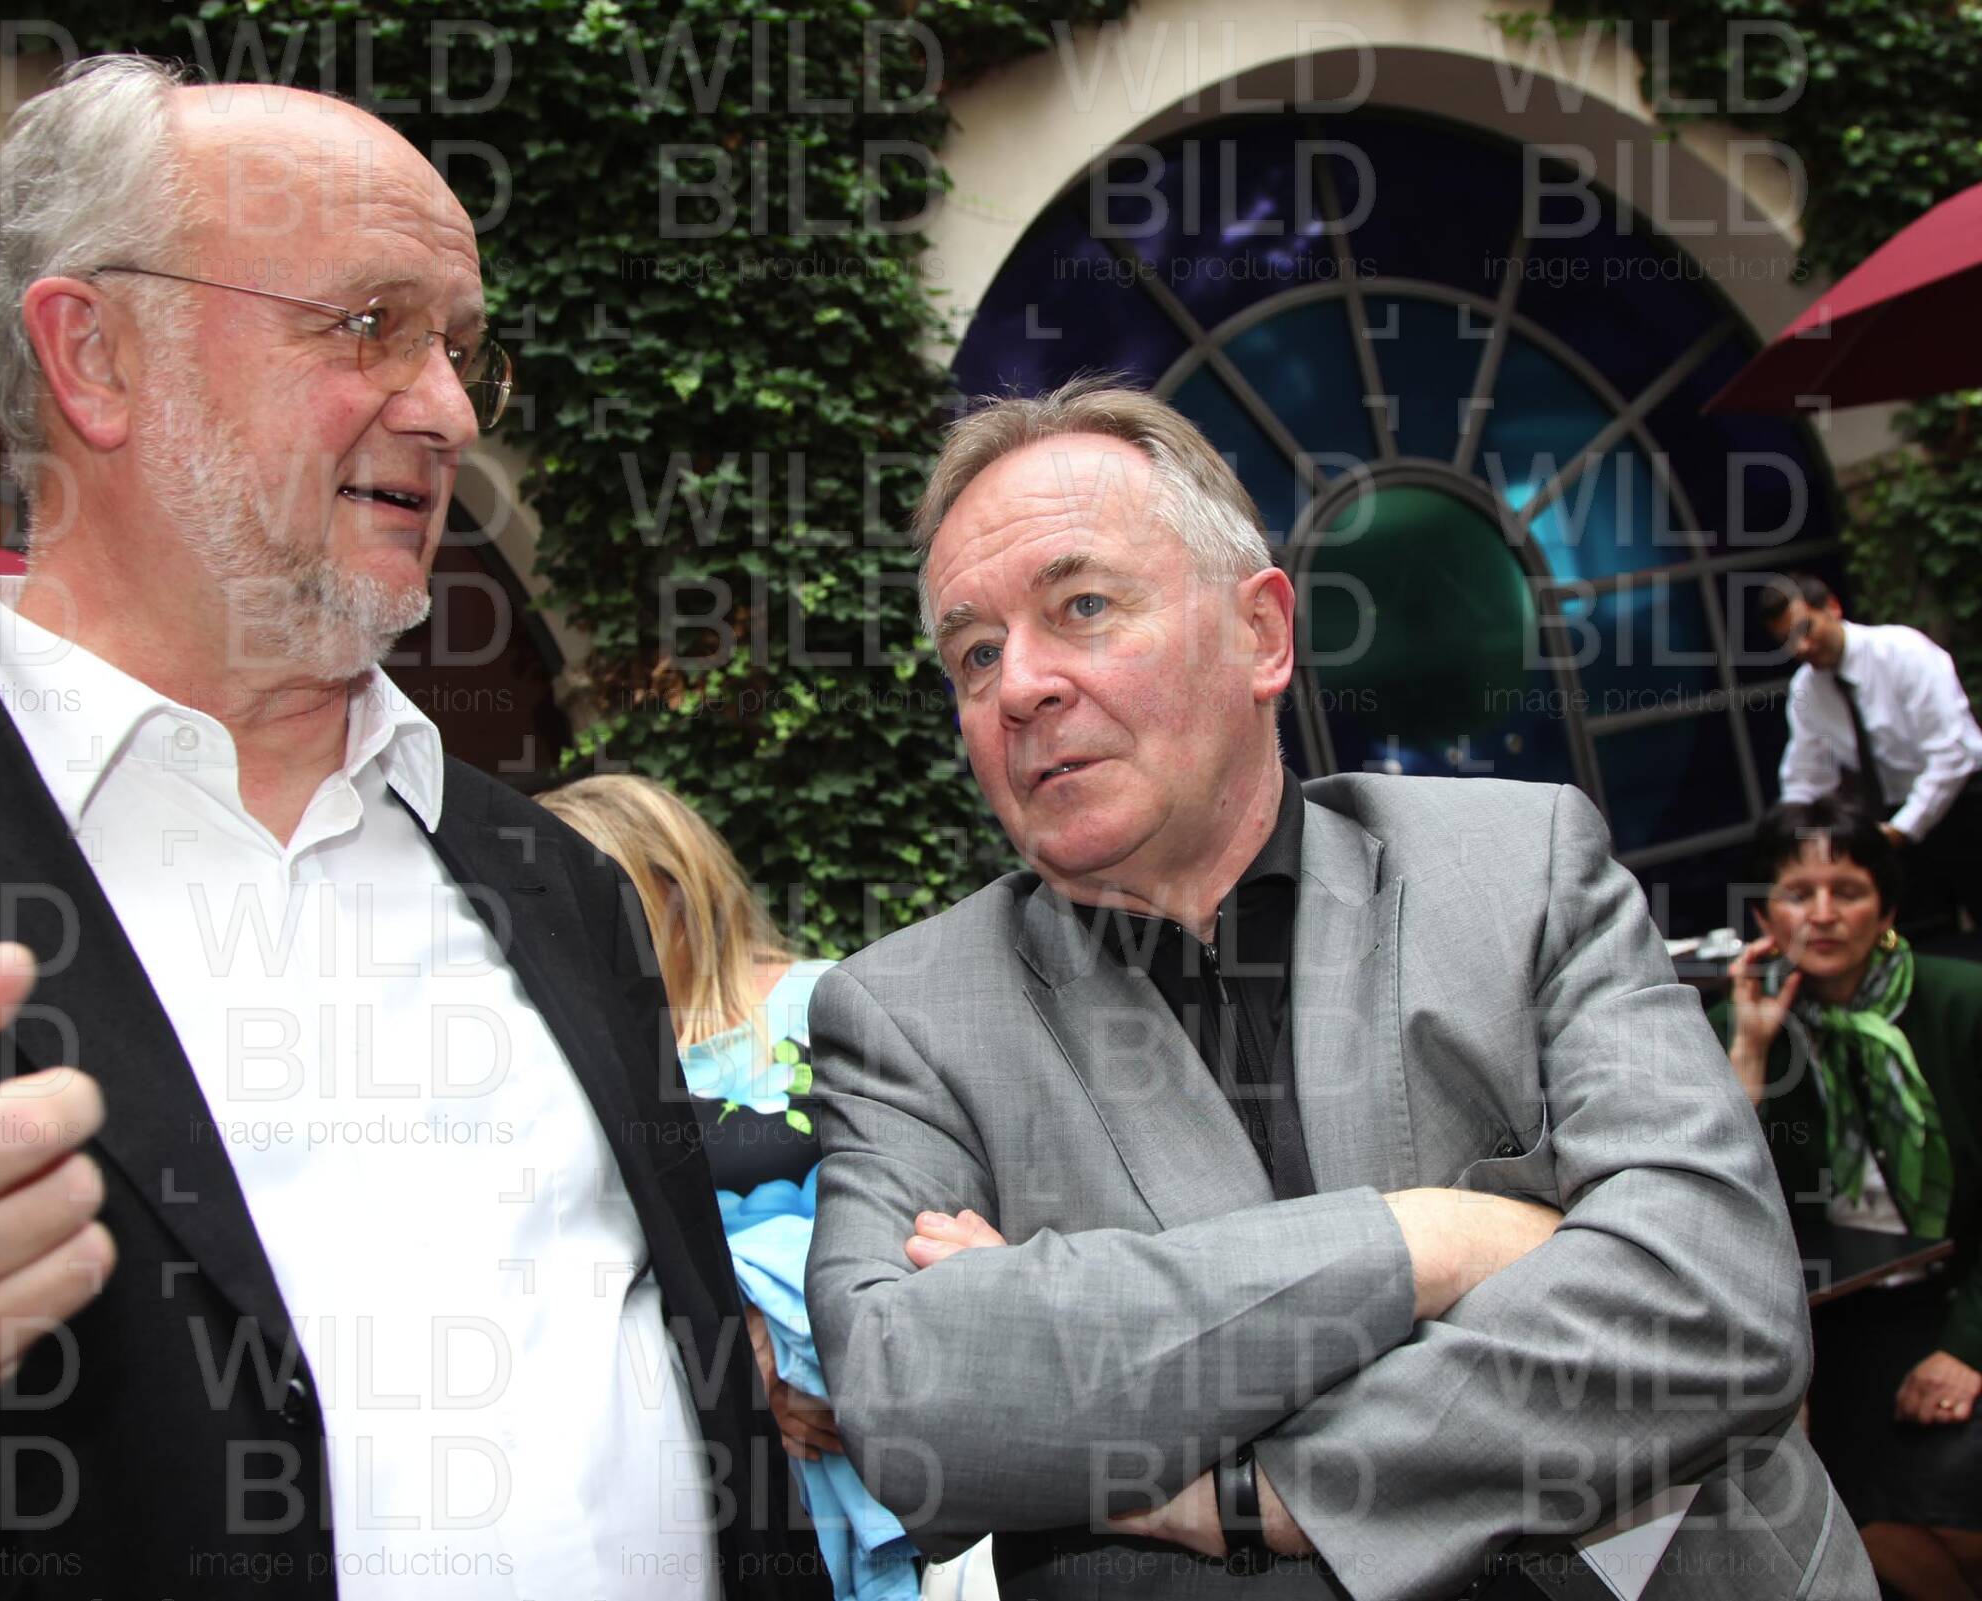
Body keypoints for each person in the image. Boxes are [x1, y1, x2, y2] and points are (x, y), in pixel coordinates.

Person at [0, 57, 818, 1598]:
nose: (445, 410)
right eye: (369, 324)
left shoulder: (556, 883)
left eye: (458, 349)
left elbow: (723, 1430)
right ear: (94, 355)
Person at [803, 378, 1876, 1600]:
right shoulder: (911, 1016)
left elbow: (1719, 1305)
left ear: (1261, 634)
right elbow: (917, 1410)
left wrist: (1257, 1487)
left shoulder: (1521, 866)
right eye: (976, 652)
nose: (1019, 686)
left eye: (1082, 606)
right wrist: (1431, 1240)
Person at [544, 773, 933, 1599]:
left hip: (879, 1426)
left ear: (673, 888)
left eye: (593, 893)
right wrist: (727, 1357)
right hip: (711, 1463)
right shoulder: (577, 1065)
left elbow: (924, 1198)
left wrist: (800, 1352)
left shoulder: (831, 1002)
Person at [1713, 797, 1982, 1599]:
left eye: (1849, 890)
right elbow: (1717, 1196)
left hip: (1960, 1295)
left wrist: (1968, 1348)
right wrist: (1750, 1050)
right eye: (1798, 894)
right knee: (1850, 1518)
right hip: (1837, 1321)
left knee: (1953, 1509)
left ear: (1887, 908)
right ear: (1764, 916)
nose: (1823, 914)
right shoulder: (1742, 1023)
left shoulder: (1960, 1002)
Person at [1763, 572, 1982, 927]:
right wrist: (1800, 841)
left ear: (1832, 607)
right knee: (1920, 935)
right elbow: (1805, 779)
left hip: (1964, 800)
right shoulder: (1808, 690)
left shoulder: (1902, 651)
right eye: (1786, 640)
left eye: (1805, 629)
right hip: (1893, 820)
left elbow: (1953, 753)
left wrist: (1902, 829)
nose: (1800, 647)